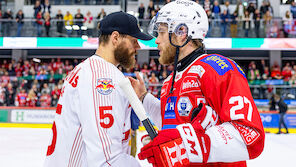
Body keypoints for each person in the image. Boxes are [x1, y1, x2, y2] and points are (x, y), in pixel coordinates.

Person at [129, 0, 265, 166]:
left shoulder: (217, 69)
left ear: (181, 32)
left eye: (162, 32)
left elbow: (249, 135)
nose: (156, 40)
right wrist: (144, 98)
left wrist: (182, 145)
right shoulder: (170, 81)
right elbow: (173, 123)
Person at [43, 11, 152, 167]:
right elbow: (107, 160)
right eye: (134, 41)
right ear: (115, 38)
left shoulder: (87, 69)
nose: (138, 47)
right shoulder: (103, 78)